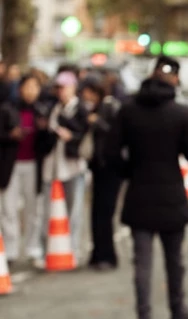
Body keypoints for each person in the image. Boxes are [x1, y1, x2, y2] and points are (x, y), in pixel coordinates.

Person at [110, 56, 188, 319]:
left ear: (150, 75)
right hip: (172, 195)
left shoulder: (128, 110)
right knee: (175, 260)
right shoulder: (181, 112)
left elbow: (111, 153)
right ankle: (177, 311)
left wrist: (130, 171)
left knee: (142, 264)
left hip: (139, 194)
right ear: (174, 79)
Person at [0, 73, 50, 264]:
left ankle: (33, 247)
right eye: (27, 86)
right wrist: (10, 135)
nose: (30, 91)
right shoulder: (7, 108)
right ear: (20, 88)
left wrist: (44, 130)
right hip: (10, 165)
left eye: (35, 87)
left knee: (33, 208)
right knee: (9, 208)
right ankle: (11, 250)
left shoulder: (42, 110)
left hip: (33, 165)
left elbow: (47, 144)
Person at [41, 70, 89, 265]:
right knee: (49, 211)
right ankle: (48, 248)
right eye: (58, 88)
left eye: (64, 87)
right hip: (52, 165)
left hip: (73, 166)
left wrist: (72, 137)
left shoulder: (80, 110)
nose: (61, 92)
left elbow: (85, 135)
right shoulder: (52, 109)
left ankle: (73, 249)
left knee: (73, 210)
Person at [79, 76, 121, 270]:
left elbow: (115, 134)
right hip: (97, 166)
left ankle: (107, 255)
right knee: (96, 212)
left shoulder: (110, 107)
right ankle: (97, 253)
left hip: (111, 168)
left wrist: (97, 122)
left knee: (105, 212)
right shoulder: (92, 108)